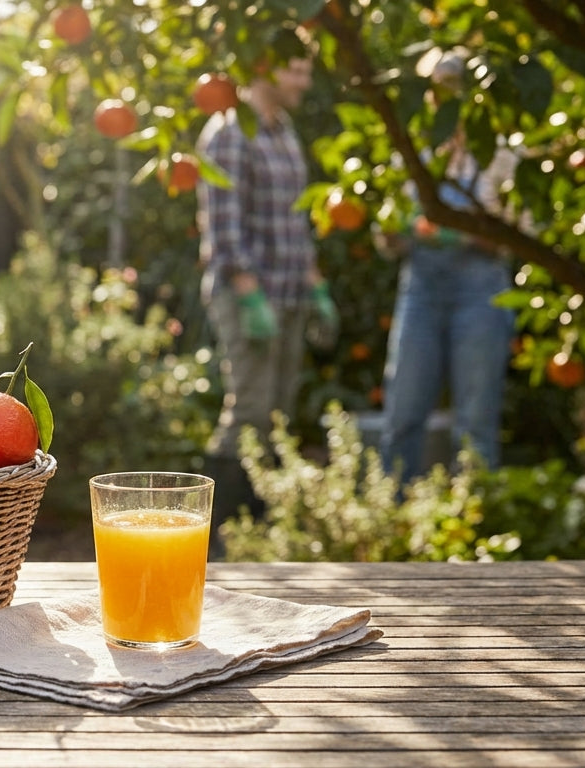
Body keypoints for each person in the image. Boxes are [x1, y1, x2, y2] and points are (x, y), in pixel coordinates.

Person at [195, 54, 337, 556]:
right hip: (248, 296)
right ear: (265, 68)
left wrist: (315, 287)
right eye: (295, 68)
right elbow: (224, 225)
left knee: (277, 412)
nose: (304, 77)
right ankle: (214, 543)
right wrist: (249, 293)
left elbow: (296, 221)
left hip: (290, 292)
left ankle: (258, 536)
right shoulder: (230, 131)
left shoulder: (283, 129)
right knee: (250, 408)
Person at [378, 51, 518, 484]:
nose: (445, 99)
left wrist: (459, 231)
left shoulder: (499, 156)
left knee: (475, 421)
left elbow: (518, 236)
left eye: (454, 88)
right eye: (437, 90)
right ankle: (393, 525)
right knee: (403, 411)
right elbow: (386, 240)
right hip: (421, 290)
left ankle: (473, 528)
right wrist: (394, 228)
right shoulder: (412, 155)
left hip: (481, 293)